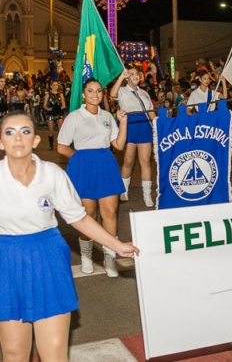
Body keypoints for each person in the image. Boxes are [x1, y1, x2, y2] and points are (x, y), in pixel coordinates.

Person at [0, 110, 138, 361]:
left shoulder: (52, 174)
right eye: (10, 132)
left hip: (47, 259)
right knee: (14, 354)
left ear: (36, 140)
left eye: (26, 131)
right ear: (1, 141)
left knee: (54, 352)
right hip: (6, 261)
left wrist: (116, 245)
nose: (18, 138)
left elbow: (80, 218)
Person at [57, 78, 129, 278]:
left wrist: (122, 123)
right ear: (83, 94)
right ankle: (87, 257)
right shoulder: (74, 117)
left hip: (106, 164)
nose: (95, 94)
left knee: (110, 212)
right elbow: (62, 146)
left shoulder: (107, 115)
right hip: (83, 166)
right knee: (87, 215)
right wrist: (80, 159)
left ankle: (110, 258)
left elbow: (119, 145)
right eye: (91, 91)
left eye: (98, 91)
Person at [110, 68, 157, 207]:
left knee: (146, 161)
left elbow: (151, 113)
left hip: (144, 126)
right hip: (128, 126)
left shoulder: (144, 93)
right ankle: (124, 190)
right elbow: (112, 95)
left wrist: (158, 125)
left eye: (137, 74)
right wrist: (120, 78)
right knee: (128, 160)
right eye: (131, 74)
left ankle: (147, 194)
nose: (135, 76)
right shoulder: (122, 91)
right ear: (126, 77)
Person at [43, 80, 66, 151]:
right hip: (51, 113)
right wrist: (48, 109)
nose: (55, 86)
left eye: (56, 85)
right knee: (51, 130)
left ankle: (60, 144)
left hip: (59, 113)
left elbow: (64, 105)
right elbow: (44, 105)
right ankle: (51, 145)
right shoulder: (48, 94)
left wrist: (60, 108)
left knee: (61, 129)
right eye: (54, 85)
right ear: (50, 86)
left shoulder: (60, 94)